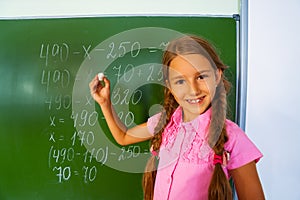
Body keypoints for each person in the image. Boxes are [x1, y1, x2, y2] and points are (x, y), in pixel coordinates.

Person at [89, 35, 265, 200]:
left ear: (217, 76)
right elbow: (124, 136)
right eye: (180, 81)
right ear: (169, 86)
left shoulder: (232, 137)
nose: (193, 90)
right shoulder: (165, 122)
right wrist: (105, 104)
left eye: (201, 76)